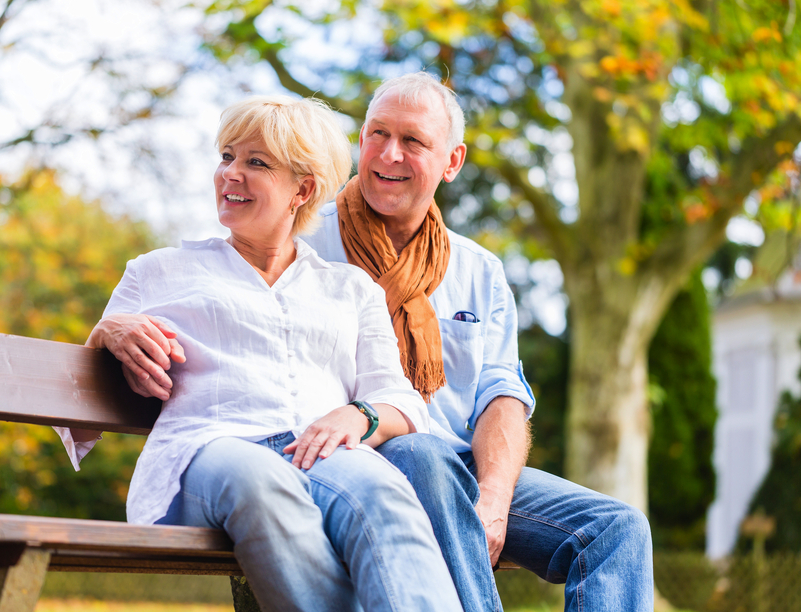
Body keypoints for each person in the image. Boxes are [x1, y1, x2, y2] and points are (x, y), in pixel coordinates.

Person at [55, 95, 463, 612]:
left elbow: (400, 401)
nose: (231, 174)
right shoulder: (157, 272)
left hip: (322, 455)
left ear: (304, 190)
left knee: (386, 495)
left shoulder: (350, 289)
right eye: (227, 157)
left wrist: (357, 413)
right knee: (262, 481)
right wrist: (105, 332)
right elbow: (80, 425)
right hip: (210, 455)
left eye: (256, 163)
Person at [303, 73, 655, 612]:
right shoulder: (304, 239)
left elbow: (501, 394)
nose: (388, 153)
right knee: (421, 454)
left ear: (452, 161)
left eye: (413, 141)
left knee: (616, 529)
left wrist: (492, 499)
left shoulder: (478, 271)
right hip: (355, 461)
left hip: (459, 470)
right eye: (377, 133)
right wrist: (121, 325)